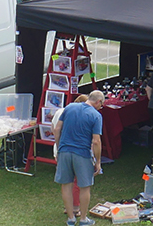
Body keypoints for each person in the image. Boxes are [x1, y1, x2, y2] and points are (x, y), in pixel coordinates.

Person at [53, 90, 104, 226]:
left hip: (64, 151)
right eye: (101, 105)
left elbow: (57, 129)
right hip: (82, 153)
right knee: (85, 187)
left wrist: (59, 148)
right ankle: (83, 219)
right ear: (98, 102)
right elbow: (96, 141)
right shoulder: (96, 115)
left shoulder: (69, 107)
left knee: (66, 186)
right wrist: (98, 162)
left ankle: (70, 219)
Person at [53, 94, 90, 222]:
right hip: (74, 149)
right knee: (77, 182)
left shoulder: (60, 111)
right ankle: (75, 208)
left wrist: (58, 147)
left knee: (66, 182)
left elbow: (54, 129)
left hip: (60, 150)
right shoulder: (81, 114)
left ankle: (69, 212)